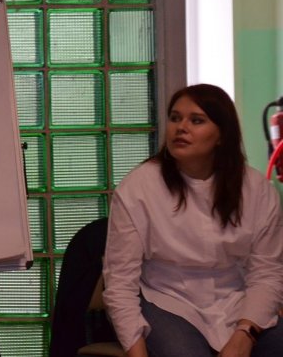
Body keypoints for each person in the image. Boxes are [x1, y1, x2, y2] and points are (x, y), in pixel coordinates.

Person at [103, 83, 283, 357]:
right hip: (166, 299)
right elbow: (119, 283)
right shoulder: (139, 187)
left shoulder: (256, 189)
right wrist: (136, 350)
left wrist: (245, 334)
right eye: (175, 118)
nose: (181, 128)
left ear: (222, 135)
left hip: (236, 299)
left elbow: (267, 273)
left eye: (196, 120)